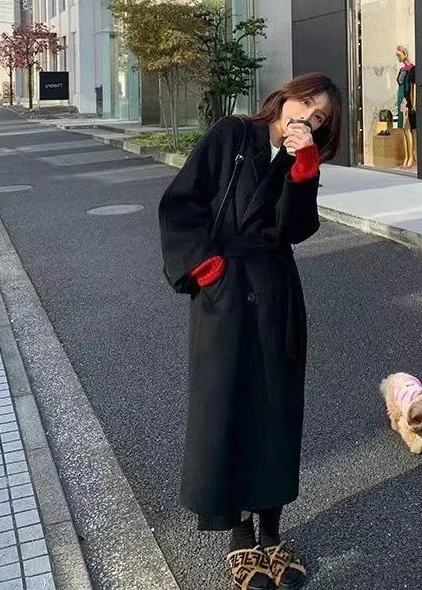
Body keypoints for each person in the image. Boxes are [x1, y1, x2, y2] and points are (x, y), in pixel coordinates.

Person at [159, 73, 342, 590]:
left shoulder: (302, 159)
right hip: (224, 292)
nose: (308, 116)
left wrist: (303, 170)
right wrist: (204, 267)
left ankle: (273, 534)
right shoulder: (232, 135)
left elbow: (296, 229)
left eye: (320, 117)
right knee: (227, 406)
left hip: (277, 293)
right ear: (284, 98)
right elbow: (182, 202)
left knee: (276, 410)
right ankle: (241, 538)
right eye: (305, 103)